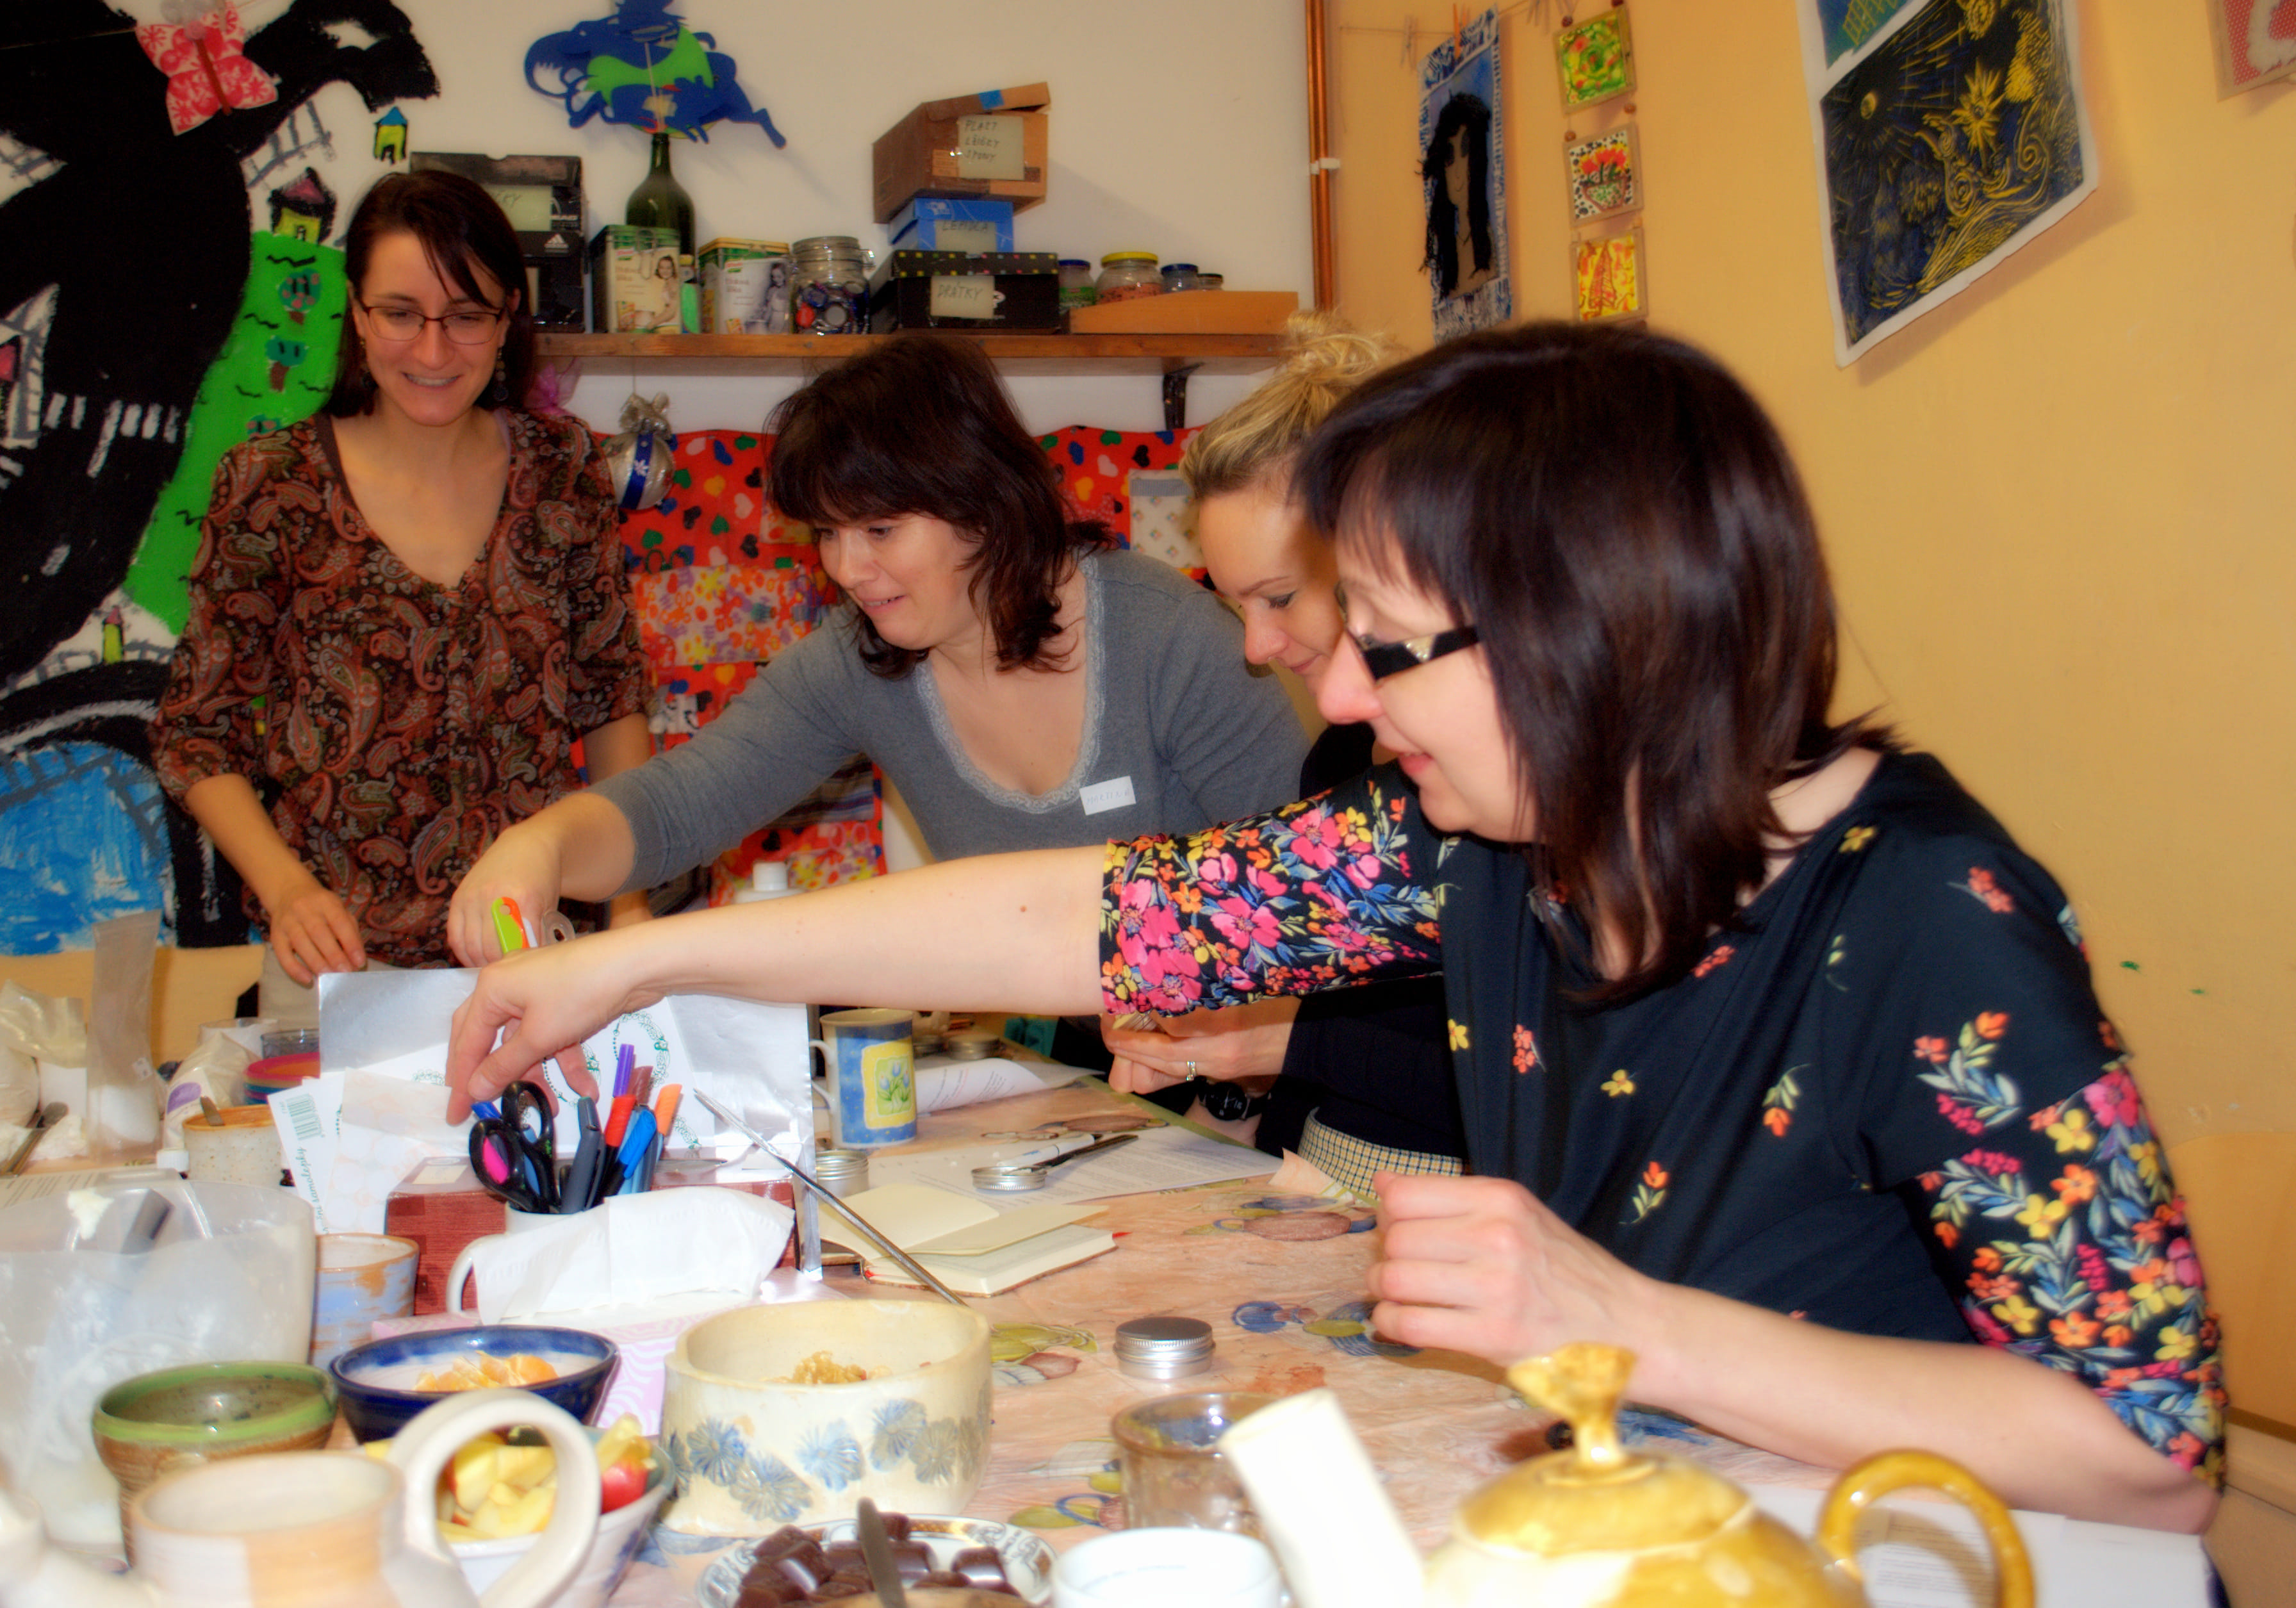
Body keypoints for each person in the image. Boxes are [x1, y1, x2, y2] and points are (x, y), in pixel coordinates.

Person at [446, 322, 2220, 1531]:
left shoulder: (1928, 913)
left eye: (1385, 641)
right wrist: (639, 953)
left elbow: (2150, 1450)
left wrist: (1629, 1324)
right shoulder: (1485, 841)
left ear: (1580, 621)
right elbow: (1089, 916)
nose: (1344, 695)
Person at [446, 332, 1307, 969]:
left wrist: (1224, 1075)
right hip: (1069, 1073)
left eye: (880, 529)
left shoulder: (1176, 640)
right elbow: (679, 806)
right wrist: (539, 847)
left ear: (981, 503)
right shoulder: (857, 662)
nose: (848, 568)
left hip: (1237, 1081)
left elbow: (1316, 896)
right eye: (828, 533)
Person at [151, 170, 649, 1023]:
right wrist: (286, 888)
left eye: (466, 315)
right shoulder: (275, 483)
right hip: (336, 973)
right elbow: (197, 732)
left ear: (508, 318)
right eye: (400, 313)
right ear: (355, 311)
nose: (432, 350)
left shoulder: (563, 470)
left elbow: (611, 703)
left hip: (533, 960)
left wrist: (631, 912)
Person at [1100, 314, 1467, 1194]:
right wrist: (1238, 1065)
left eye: (1279, 597)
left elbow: (1530, 1085)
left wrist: (1280, 1042)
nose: (1257, 647)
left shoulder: (1486, 777)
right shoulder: (1338, 756)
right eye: (1239, 607)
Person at [1423, 92, 1496, 300]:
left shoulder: (1487, 244)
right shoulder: (1451, 253)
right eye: (1449, 158)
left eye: (1465, 152)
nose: (1456, 172)